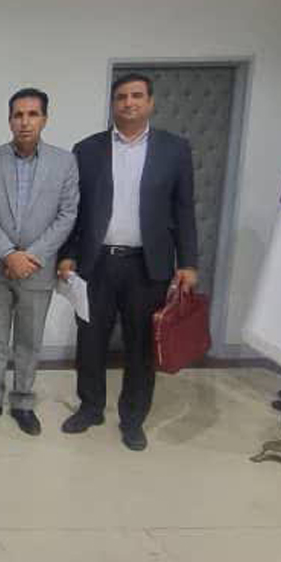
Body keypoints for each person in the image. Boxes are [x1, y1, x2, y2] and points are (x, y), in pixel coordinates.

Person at [58, 73, 198, 451]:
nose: (129, 103)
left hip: (147, 266)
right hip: (96, 263)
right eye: (121, 97)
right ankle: (90, 408)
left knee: (140, 346)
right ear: (113, 104)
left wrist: (188, 262)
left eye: (137, 96)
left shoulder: (174, 149)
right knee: (91, 341)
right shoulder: (87, 149)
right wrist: (68, 254)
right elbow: (74, 211)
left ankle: (133, 418)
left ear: (150, 102)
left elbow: (184, 209)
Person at [0, 88, 78, 434]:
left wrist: (31, 256)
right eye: (18, 115)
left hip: (38, 267)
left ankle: (22, 403)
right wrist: (8, 253)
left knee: (29, 341)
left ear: (44, 119)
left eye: (32, 114)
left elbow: (67, 214)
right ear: (9, 120)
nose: (25, 122)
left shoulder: (65, 162)